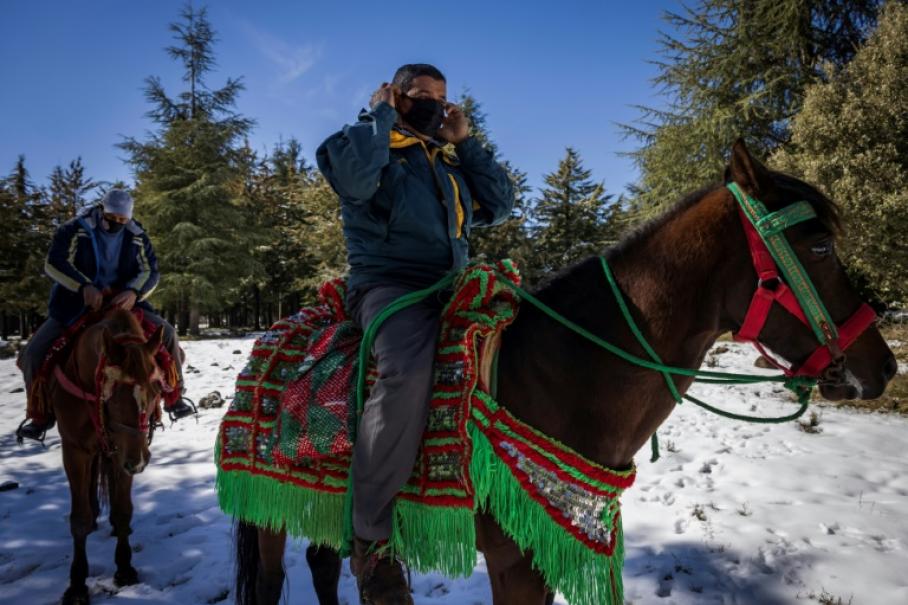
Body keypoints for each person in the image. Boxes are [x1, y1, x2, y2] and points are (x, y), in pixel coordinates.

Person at [316, 63, 515, 603]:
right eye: (422, 95)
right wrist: (379, 117)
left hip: (452, 284)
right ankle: (371, 540)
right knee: (406, 368)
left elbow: (499, 205)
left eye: (442, 98)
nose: (434, 104)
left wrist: (466, 143)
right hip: (388, 286)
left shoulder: (445, 165)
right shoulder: (357, 144)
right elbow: (355, 182)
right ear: (396, 96)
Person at [16, 189, 193, 442]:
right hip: (75, 304)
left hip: (125, 303)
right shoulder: (74, 229)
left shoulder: (137, 235)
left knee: (168, 335)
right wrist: (83, 286)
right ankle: (40, 414)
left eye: (123, 220)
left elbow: (150, 271)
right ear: (102, 211)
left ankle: (175, 397)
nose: (117, 225)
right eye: (113, 219)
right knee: (34, 352)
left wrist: (133, 292)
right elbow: (54, 263)